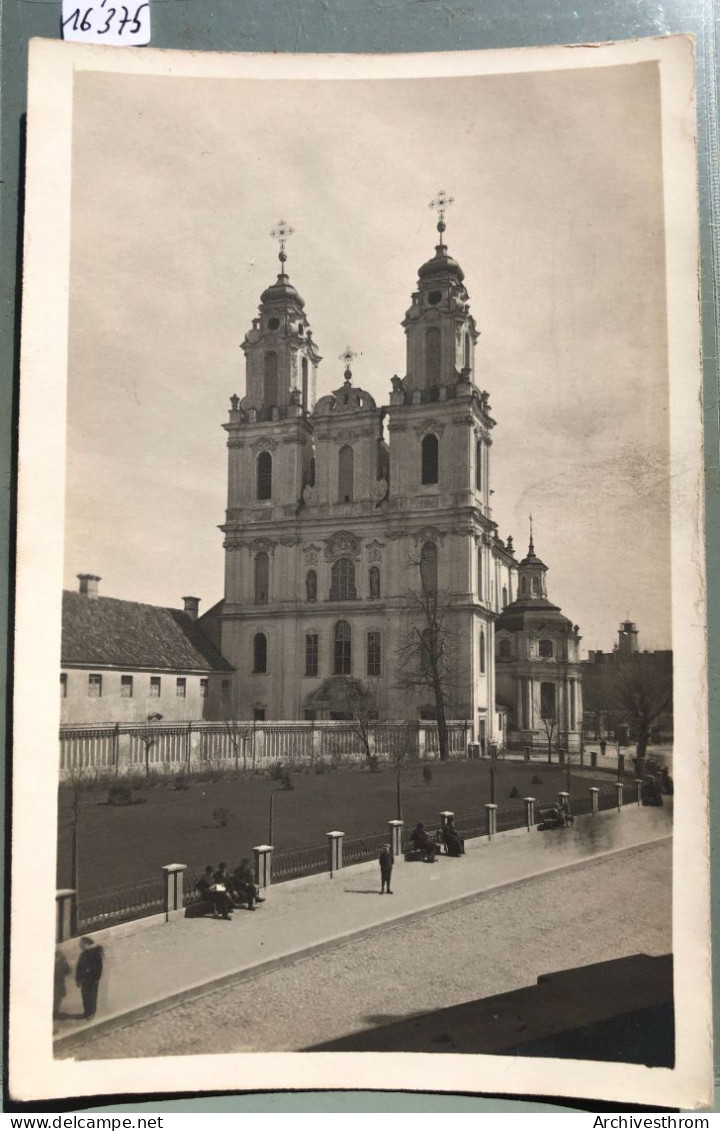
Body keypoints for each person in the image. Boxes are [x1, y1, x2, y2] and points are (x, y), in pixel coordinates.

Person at [75, 936, 104, 1021]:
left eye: (81, 944)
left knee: (91, 996)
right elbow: (79, 967)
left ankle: (91, 1012)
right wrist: (78, 979)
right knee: (85, 996)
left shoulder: (94, 954)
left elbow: (98, 968)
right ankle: (87, 1012)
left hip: (91, 980)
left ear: (86, 944)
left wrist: (94, 979)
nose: (80, 946)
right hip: (85, 980)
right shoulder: (83, 954)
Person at [54, 948, 70, 1019]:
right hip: (57, 984)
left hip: (59, 984)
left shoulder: (62, 963)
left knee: (58, 999)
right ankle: (55, 1012)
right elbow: (67, 972)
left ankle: (55, 1012)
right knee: (57, 999)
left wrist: (65, 964)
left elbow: (67, 971)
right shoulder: (59, 963)